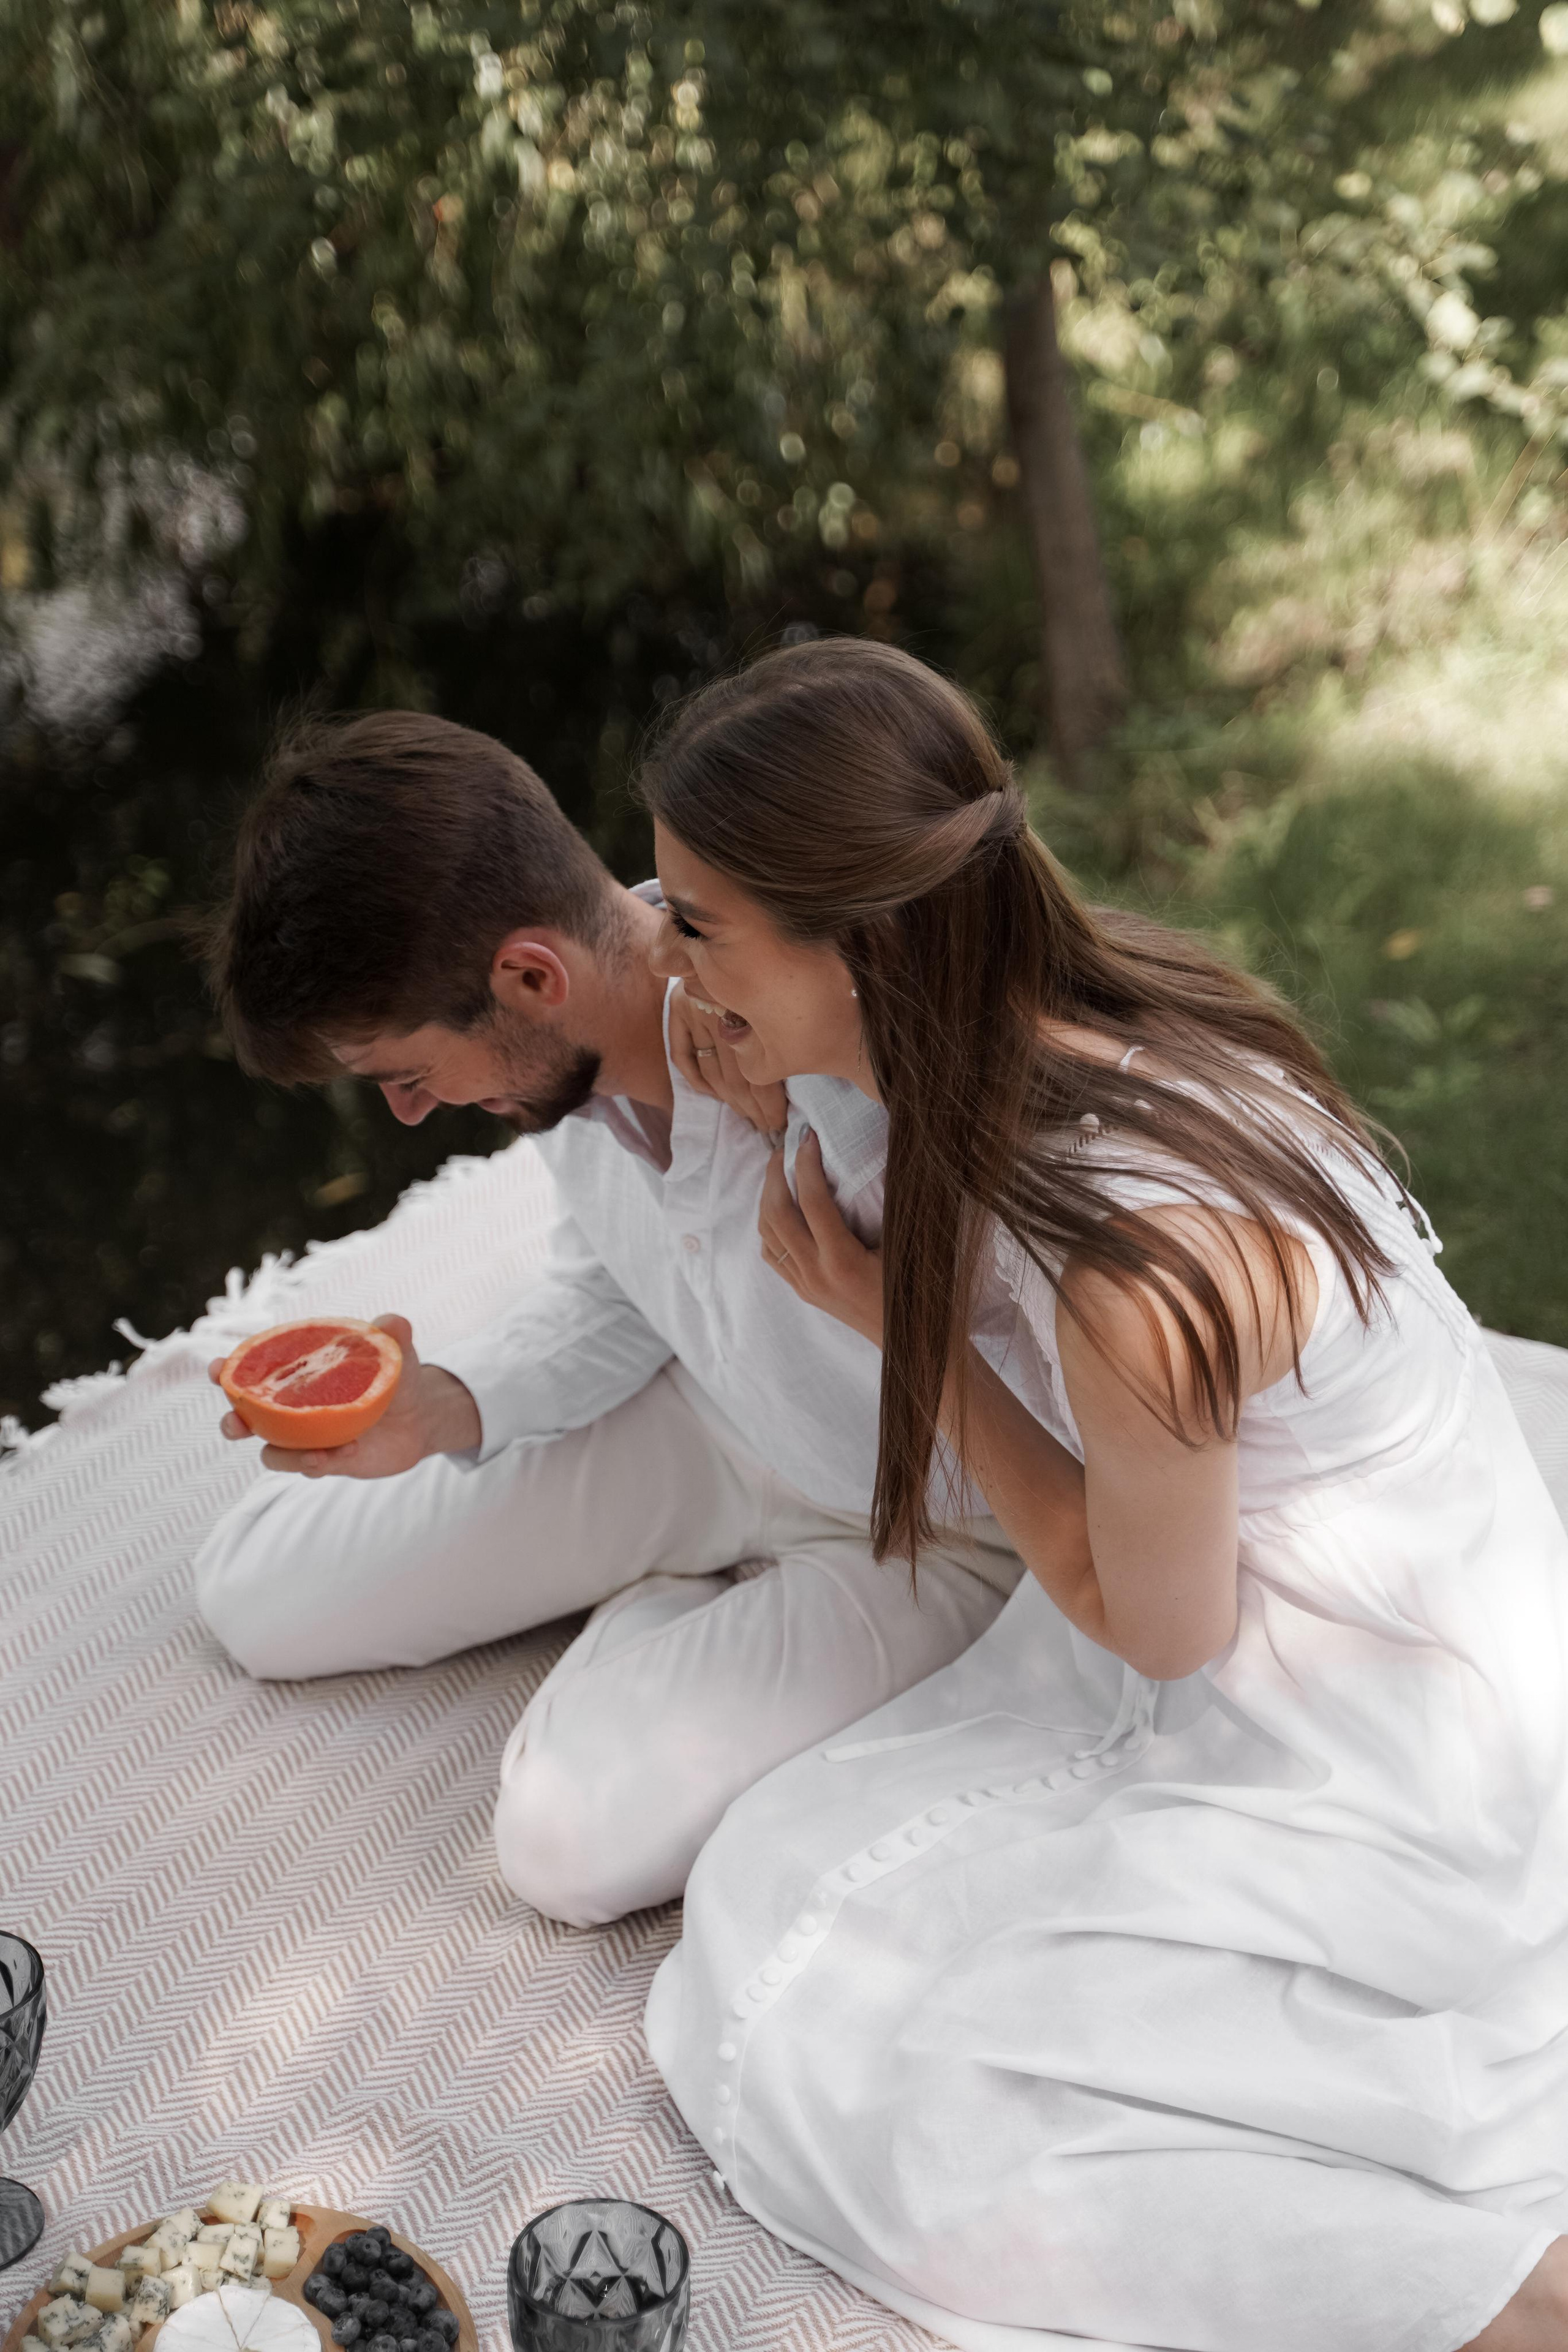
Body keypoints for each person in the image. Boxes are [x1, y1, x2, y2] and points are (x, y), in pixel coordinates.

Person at [634, 636, 1568, 2352]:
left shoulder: (1139, 1266)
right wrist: (791, 1100)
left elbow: (1162, 1631)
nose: (666, 959)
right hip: (1312, 1586)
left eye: (695, 920)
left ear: (869, 939)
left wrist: (897, 1331)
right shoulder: (1067, 1002)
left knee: (908, 2103)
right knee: (772, 1889)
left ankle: (1503, 2298)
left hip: (1350, 1717)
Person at [193, 709, 1020, 1928]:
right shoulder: (568, 1082)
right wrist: (449, 1407)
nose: (414, 1115)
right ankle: (663, 1555)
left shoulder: (819, 1037)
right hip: (709, 1411)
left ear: (530, 978)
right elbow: (615, 1291)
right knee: (252, 1591)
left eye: (407, 1075)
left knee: (563, 1848)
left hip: (921, 1519)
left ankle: (664, 1594)